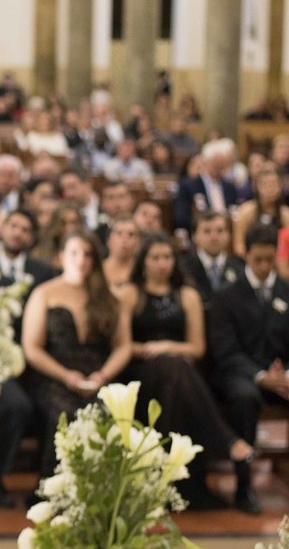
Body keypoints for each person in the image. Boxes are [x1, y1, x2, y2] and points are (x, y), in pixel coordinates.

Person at [120, 233, 255, 510]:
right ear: (143, 261)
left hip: (180, 373)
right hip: (140, 372)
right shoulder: (131, 293)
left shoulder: (187, 294)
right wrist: (151, 349)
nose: (162, 264)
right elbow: (122, 345)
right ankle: (227, 440)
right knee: (173, 369)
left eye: (167, 257)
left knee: (175, 375)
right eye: (155, 258)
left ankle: (174, 487)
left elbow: (196, 348)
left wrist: (168, 347)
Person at [22, 231, 134, 480]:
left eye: (87, 254)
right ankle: (56, 486)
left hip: (98, 374)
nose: (81, 260)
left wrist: (102, 376)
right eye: (74, 253)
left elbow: (123, 346)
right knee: (64, 412)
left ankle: (101, 490)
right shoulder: (44, 293)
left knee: (106, 411)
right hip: (54, 375)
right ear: (62, 256)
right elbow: (32, 348)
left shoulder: (110, 297)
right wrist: (66, 376)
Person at [209, 225, 289, 515]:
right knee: (244, 398)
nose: (265, 266)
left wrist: (285, 374)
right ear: (246, 255)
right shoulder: (226, 296)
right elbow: (225, 350)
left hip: (282, 376)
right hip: (241, 374)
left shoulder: (286, 290)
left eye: (270, 259)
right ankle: (244, 485)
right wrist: (261, 376)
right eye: (258, 260)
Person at [0, 209, 58, 508]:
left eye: (26, 229)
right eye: (14, 225)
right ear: (2, 228)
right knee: (18, 407)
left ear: (32, 237)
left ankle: (47, 485)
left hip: (33, 360)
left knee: (52, 402)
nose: (18, 233)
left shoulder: (44, 272)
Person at [180, 210, 244, 310]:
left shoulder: (240, 268)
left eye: (220, 231)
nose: (214, 237)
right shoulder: (184, 268)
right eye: (207, 231)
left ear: (228, 235)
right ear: (194, 236)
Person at [232, 166, 289, 257]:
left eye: (274, 184)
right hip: (250, 259)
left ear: (280, 187)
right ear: (256, 187)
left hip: (279, 259)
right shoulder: (245, 212)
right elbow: (239, 246)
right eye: (265, 185)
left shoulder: (286, 214)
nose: (270, 189)